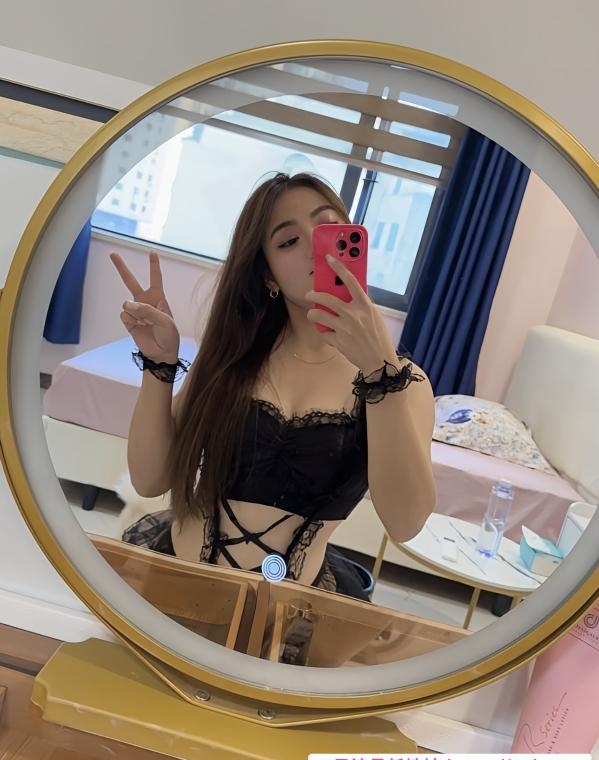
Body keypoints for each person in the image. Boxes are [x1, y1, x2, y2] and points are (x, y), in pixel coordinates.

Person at [111, 172, 436, 602]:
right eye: (289, 241)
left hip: (286, 616)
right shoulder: (232, 357)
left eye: (328, 228)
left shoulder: (402, 381)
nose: (314, 247)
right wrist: (159, 364)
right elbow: (149, 479)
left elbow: (406, 523)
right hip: (175, 585)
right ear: (268, 276)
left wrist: (380, 372)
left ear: (353, 241)